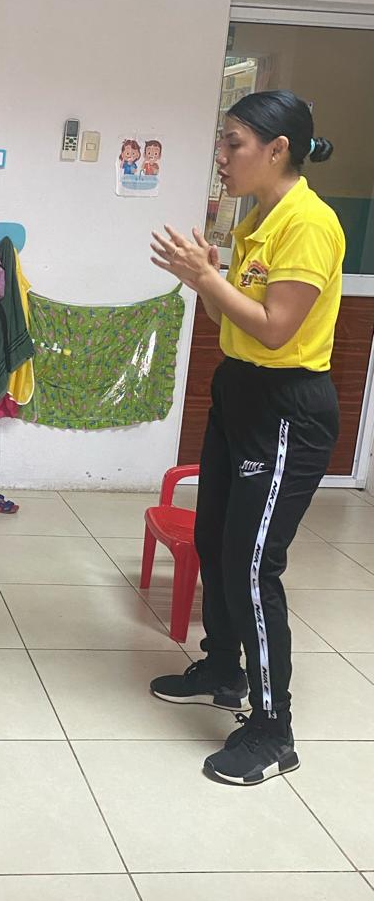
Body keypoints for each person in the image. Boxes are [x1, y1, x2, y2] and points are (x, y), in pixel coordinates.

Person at [149, 89, 342, 785]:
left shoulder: (309, 224)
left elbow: (276, 328)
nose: (222, 158)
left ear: (277, 149)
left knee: (254, 565)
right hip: (241, 392)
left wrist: (207, 276)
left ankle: (272, 730)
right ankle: (223, 671)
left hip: (286, 406)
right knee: (214, 540)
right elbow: (232, 315)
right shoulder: (259, 218)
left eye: (233, 144)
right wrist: (205, 279)